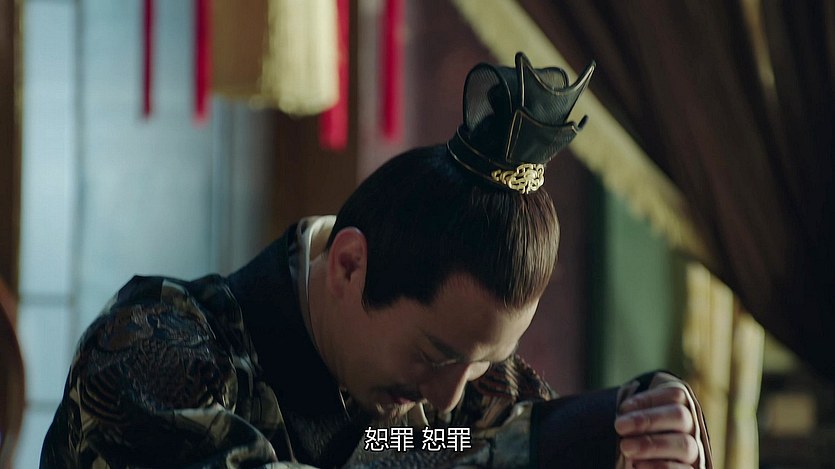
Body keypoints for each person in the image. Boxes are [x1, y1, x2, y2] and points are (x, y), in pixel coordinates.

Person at [41, 53, 710, 468]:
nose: (450, 398)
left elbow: (467, 447)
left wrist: (642, 427)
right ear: (349, 265)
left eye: (483, 363)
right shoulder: (152, 351)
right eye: (435, 354)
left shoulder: (428, 412)